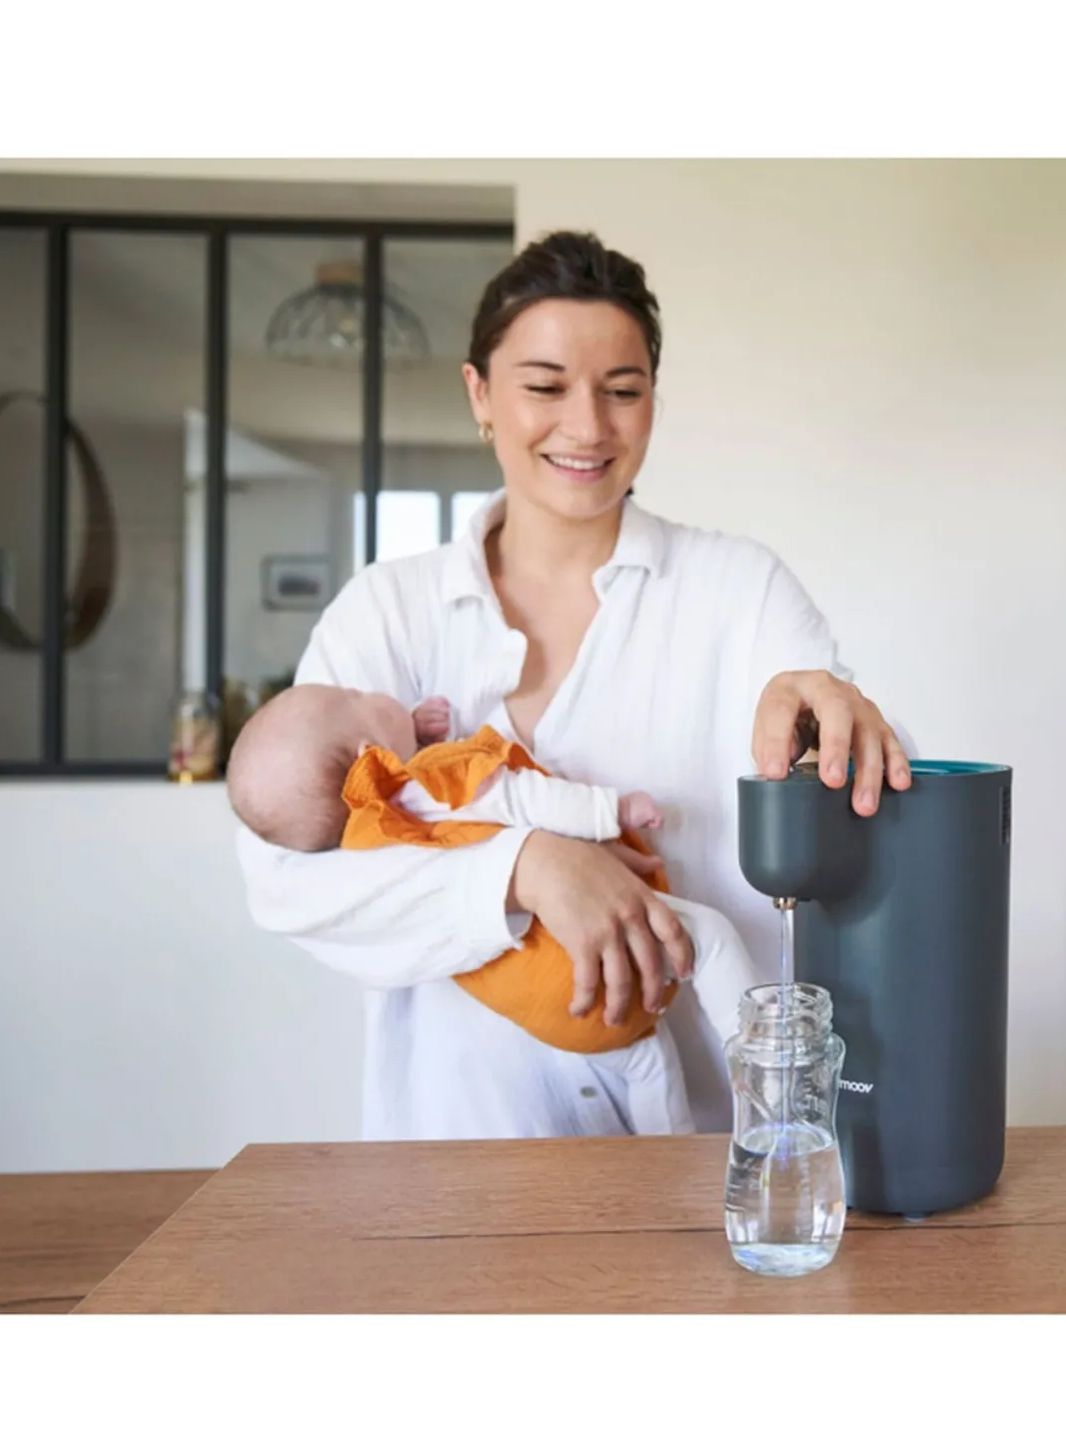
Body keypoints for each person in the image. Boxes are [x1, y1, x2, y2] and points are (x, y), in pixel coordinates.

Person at [236, 229, 910, 1140]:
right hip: (459, 1154)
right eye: (546, 387)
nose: (588, 427)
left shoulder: (742, 593)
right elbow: (287, 881)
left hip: (702, 1158)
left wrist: (839, 728)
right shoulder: (386, 614)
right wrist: (521, 868)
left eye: (622, 390)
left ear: (654, 401)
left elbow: (860, 791)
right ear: (480, 394)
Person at [225, 681, 766, 1135]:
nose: (369, 688)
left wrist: (411, 729)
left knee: (643, 1057)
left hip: (561, 1014)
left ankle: (670, 1170)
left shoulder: (373, 835)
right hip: (582, 962)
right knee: (710, 938)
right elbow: (517, 797)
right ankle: (769, 1080)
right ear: (372, 752)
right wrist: (612, 810)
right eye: (355, 696)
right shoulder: (436, 776)